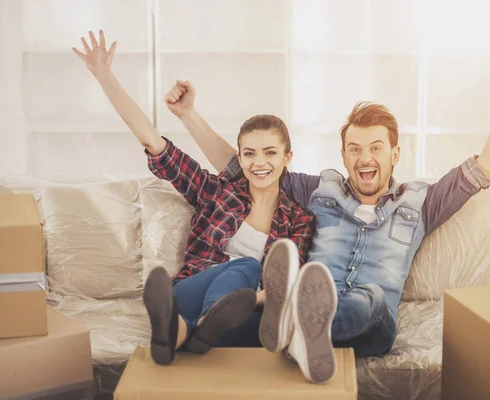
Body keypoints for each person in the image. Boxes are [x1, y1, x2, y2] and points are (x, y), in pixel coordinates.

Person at [167, 52, 490, 381]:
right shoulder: (320, 191)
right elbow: (248, 167)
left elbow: (486, 166)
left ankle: (296, 331)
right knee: (255, 300)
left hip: (369, 325)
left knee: (370, 297)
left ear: (395, 155)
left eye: (376, 148)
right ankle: (291, 335)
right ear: (343, 156)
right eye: (355, 149)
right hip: (301, 304)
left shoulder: (422, 201)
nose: (365, 158)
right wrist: (188, 115)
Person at [71, 31, 331, 372]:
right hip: (190, 295)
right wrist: (104, 75)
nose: (259, 163)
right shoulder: (217, 192)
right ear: (240, 156)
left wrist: (252, 300)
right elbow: (153, 141)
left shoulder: (298, 219)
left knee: (261, 323)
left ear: (287, 157)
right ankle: (201, 322)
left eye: (270, 152)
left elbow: (286, 286)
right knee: (248, 267)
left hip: (246, 314)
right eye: (249, 153)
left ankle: (183, 335)